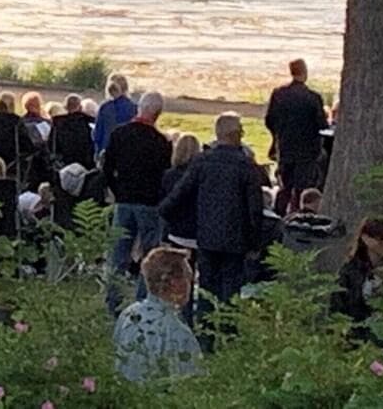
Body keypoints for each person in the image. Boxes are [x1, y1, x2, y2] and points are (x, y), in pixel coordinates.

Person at [160, 112, 263, 304]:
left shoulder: (203, 161)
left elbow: (181, 192)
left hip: (207, 236)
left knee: (208, 289)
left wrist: (165, 212)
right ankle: (226, 329)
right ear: (236, 135)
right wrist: (255, 242)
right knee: (231, 291)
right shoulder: (246, 166)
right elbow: (255, 207)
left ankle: (206, 329)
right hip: (236, 239)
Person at [102, 91, 173, 311]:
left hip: (124, 201)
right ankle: (143, 301)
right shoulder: (161, 143)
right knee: (149, 255)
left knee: (118, 253)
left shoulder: (119, 134)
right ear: (158, 114)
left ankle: (112, 300)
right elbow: (165, 177)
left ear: (138, 108)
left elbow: (106, 168)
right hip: (149, 204)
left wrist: (117, 190)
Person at [113, 247, 202, 382]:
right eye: (189, 279)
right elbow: (191, 385)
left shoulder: (128, 314)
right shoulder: (179, 333)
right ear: (175, 283)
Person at [263, 59, 328, 204]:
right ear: (305, 72)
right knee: (302, 189)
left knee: (285, 188)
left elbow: (269, 120)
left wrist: (278, 135)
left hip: (285, 148)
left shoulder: (279, 94)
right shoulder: (312, 98)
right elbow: (322, 125)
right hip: (307, 152)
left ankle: (281, 214)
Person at [330, 216, 383, 331]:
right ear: (365, 238)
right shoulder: (350, 272)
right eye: (381, 237)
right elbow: (337, 308)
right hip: (360, 336)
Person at [158, 134, 202, 248]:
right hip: (198, 231)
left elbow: (163, 203)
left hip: (176, 231)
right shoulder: (203, 175)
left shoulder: (169, 175)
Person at [94, 73, 138, 154]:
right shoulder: (134, 107)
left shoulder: (105, 107)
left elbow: (97, 134)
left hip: (106, 149)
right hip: (127, 150)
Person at [51, 94, 98, 169]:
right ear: (80, 107)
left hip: (63, 162)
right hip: (85, 162)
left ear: (65, 107)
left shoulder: (57, 122)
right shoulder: (89, 121)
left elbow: (52, 144)